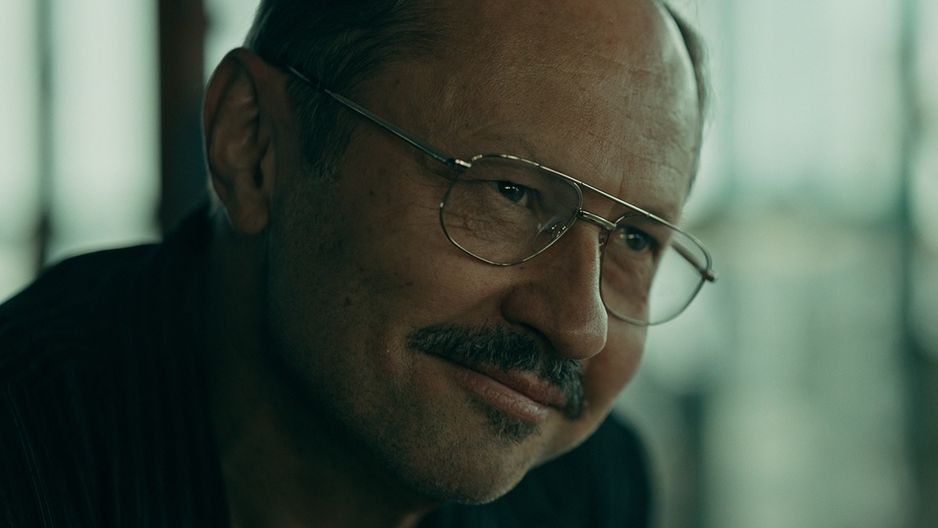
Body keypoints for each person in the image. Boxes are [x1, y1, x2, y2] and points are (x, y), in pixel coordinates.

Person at [0, 0, 716, 526]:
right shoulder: (28, 452)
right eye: (509, 191)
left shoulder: (587, 489)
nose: (579, 326)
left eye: (635, 240)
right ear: (252, 145)